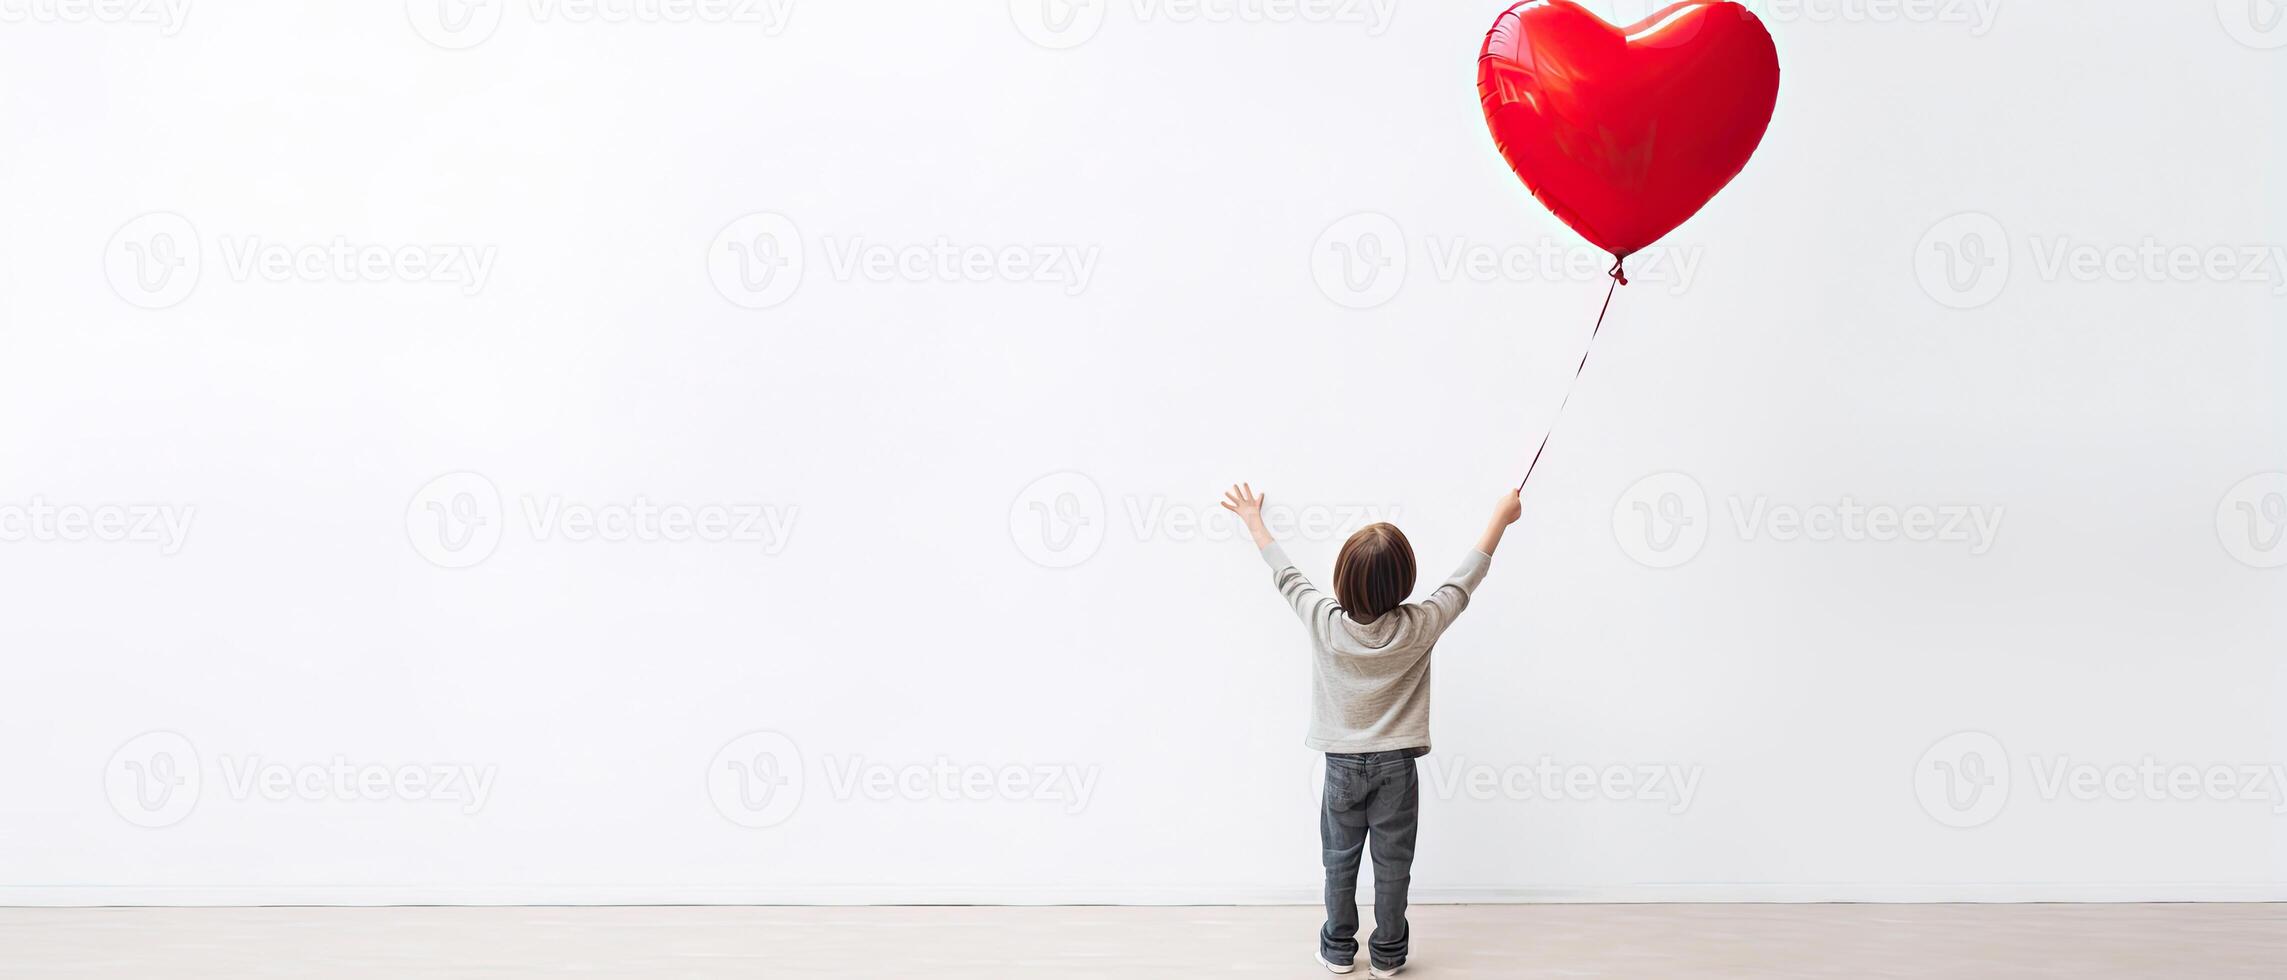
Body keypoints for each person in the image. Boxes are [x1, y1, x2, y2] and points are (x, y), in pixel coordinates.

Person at [1219, 484, 1523, 977]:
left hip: (1340, 765)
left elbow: (1286, 574)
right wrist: (1500, 518)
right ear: (1404, 581)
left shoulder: (1323, 620)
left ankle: (1338, 950)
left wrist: (1253, 519)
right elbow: (1465, 580)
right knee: (1393, 866)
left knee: (1339, 862)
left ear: (1341, 578)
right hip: (1396, 767)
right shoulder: (1421, 624)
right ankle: (1387, 955)